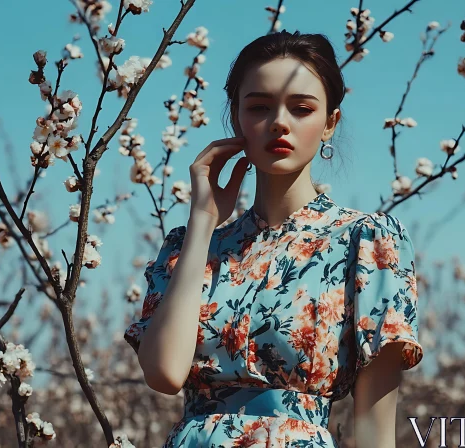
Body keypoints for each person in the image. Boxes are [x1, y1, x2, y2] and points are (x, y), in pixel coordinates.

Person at [124, 29, 423, 448]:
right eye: (260, 107)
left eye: (301, 109)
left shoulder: (367, 242)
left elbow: (374, 430)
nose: (279, 122)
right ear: (236, 117)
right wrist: (203, 222)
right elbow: (164, 374)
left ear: (329, 124)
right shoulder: (189, 246)